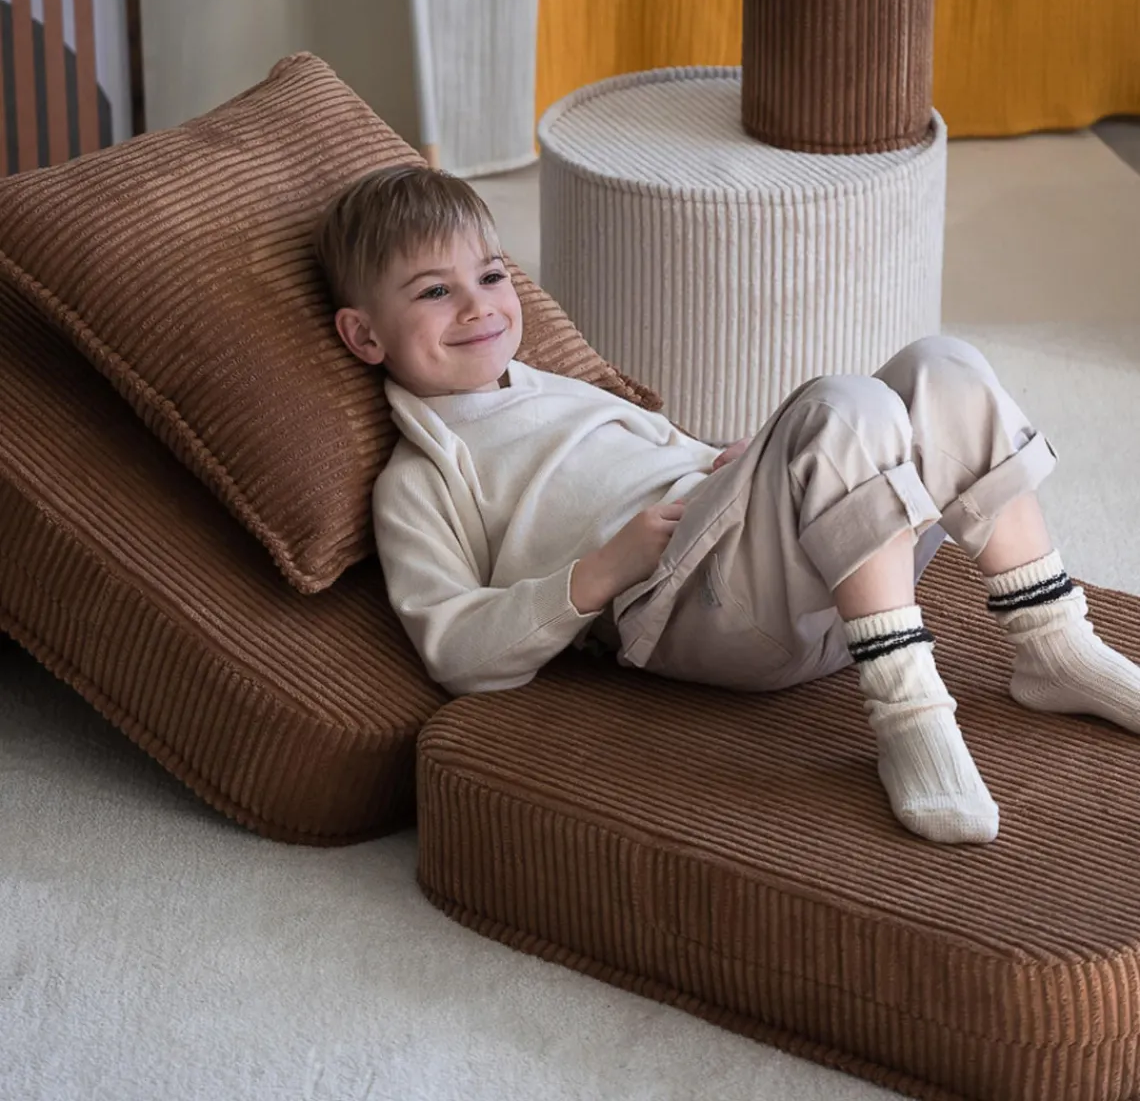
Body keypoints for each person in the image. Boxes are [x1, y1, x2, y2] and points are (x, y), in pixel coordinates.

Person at [315, 165, 1140, 847]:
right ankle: (910, 710)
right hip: (684, 606)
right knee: (844, 405)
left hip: (800, 569)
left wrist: (725, 463)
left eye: (492, 275)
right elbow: (456, 649)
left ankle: (1052, 642)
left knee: (941, 364)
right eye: (434, 291)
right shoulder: (421, 478)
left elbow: (655, 459)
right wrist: (603, 571)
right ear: (364, 336)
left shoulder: (555, 387)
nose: (478, 305)